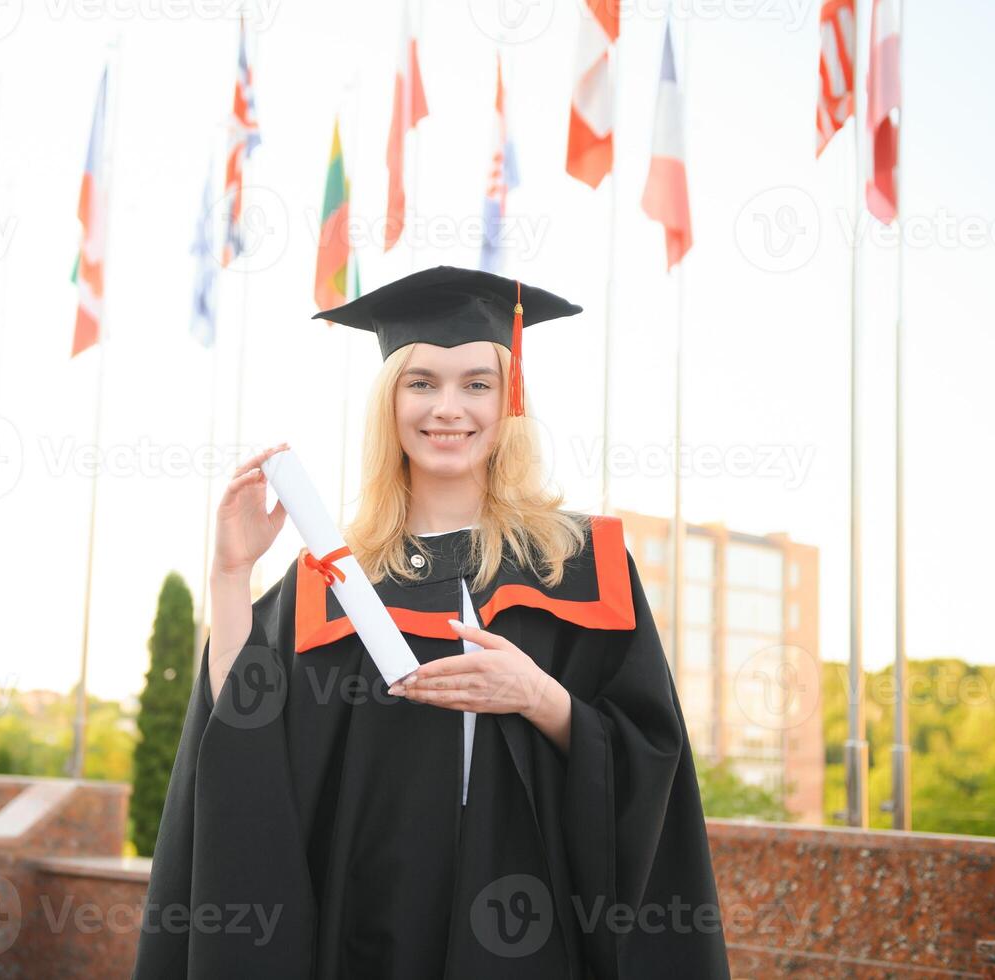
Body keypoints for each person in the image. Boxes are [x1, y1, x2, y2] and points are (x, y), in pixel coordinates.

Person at [133, 265, 731, 978]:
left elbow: (650, 760)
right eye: (421, 383)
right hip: (370, 926)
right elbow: (244, 733)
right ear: (390, 404)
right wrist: (230, 577)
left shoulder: (577, 560)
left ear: (507, 403)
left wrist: (538, 697)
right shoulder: (336, 576)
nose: (449, 407)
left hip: (530, 926)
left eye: (476, 383)